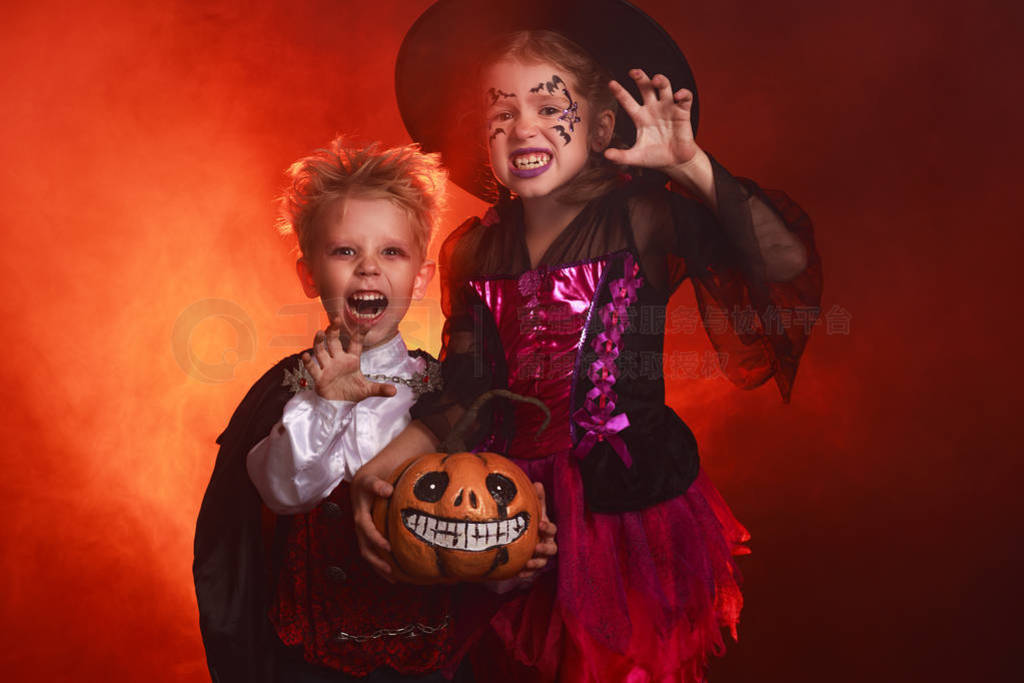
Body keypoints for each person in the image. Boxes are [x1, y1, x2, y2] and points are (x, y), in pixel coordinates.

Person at [348, 1, 823, 681]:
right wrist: (379, 470)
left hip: (622, 513)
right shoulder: (476, 251)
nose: (522, 128)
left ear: (602, 123)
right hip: (505, 518)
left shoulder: (644, 217)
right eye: (499, 112)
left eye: (548, 105)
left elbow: (782, 266)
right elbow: (463, 398)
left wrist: (692, 167)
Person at [194, 137, 553, 683]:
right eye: (344, 251)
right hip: (310, 667)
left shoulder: (446, 398)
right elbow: (283, 491)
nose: (368, 269)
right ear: (308, 274)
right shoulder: (290, 390)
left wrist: (515, 560)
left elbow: (474, 536)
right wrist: (325, 403)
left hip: (429, 665)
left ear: (422, 277)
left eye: (391, 252)